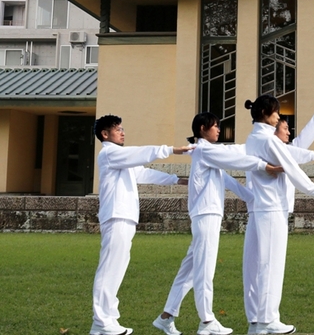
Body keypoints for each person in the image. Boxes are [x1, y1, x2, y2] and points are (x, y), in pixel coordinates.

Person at [153, 113, 281, 335]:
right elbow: (235, 156)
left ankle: (166, 316)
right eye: (215, 127)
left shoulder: (209, 154)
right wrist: (262, 163)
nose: (219, 130)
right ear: (203, 129)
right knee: (205, 269)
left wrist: (254, 198)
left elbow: (228, 179)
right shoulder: (204, 150)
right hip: (205, 215)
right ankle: (206, 321)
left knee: (190, 270)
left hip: (207, 215)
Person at [244, 91, 314, 334]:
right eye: (276, 112)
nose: (278, 117)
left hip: (257, 209)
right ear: (266, 114)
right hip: (272, 208)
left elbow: (293, 154)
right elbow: (292, 168)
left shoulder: (253, 139)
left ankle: (256, 320)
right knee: (271, 263)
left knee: (255, 264)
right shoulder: (268, 140)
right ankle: (268, 320)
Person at [90, 114, 190, 335]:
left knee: (117, 268)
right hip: (116, 216)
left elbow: (143, 172)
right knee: (109, 269)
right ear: (105, 134)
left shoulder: (121, 158)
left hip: (124, 217)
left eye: (123, 128)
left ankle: (109, 319)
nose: (123, 132)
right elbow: (140, 153)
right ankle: (100, 321)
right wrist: (170, 149)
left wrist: (176, 180)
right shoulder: (110, 153)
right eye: (118, 129)